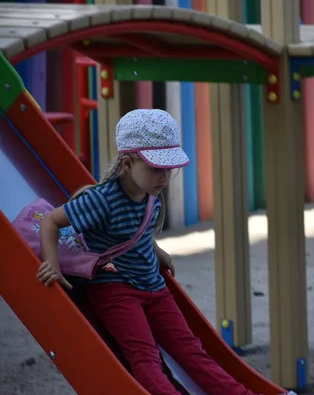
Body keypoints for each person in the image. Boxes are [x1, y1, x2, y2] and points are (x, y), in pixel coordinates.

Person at [36, 109, 296, 395]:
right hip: (115, 290)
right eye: (156, 168)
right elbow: (51, 221)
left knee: (191, 351)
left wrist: (157, 251)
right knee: (146, 359)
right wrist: (53, 263)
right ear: (127, 163)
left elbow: (139, 232)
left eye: (168, 169)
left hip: (154, 288)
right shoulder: (101, 201)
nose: (164, 177)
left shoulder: (151, 198)